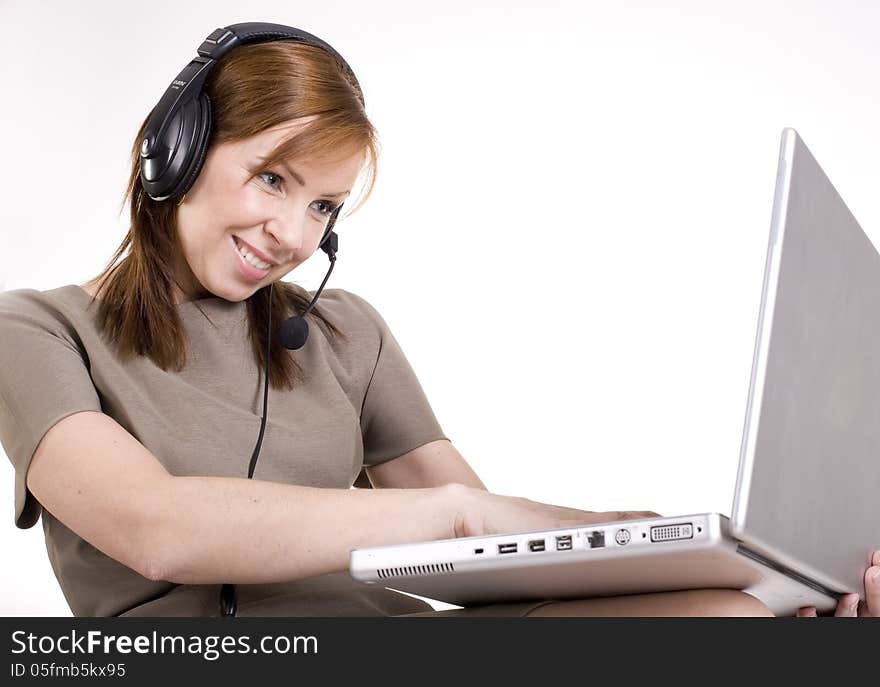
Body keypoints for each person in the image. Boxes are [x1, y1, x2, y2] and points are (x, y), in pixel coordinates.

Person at [1, 25, 877, 618]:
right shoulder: (35, 330)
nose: (292, 234)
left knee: (728, 616)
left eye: (323, 206)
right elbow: (157, 530)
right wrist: (451, 514)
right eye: (274, 178)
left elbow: (486, 554)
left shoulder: (344, 332)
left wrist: (694, 550)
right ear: (178, 146)